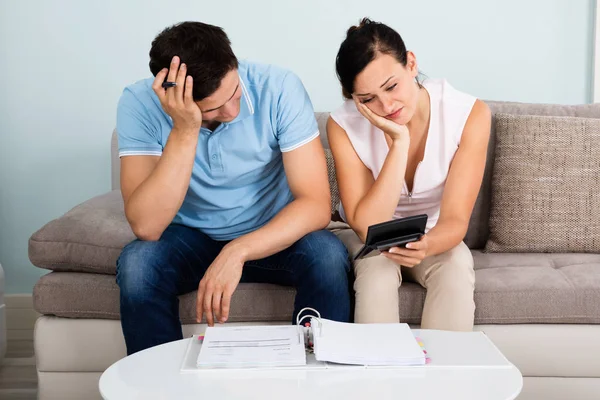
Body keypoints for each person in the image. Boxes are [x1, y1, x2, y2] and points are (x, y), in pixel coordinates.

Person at [116, 21, 351, 355]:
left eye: (235, 92)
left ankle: (317, 384)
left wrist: (237, 251)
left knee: (327, 256)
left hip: (272, 234)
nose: (232, 111)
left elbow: (315, 204)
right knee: (138, 265)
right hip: (189, 237)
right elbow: (147, 226)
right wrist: (185, 130)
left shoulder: (279, 87)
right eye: (213, 108)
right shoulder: (138, 104)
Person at [327, 18, 491, 331]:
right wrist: (399, 144)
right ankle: (380, 376)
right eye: (367, 99)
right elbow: (367, 226)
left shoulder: (468, 114)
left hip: (433, 233)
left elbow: (455, 220)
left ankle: (445, 376)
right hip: (369, 238)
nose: (386, 105)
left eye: (391, 86)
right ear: (353, 99)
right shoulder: (343, 125)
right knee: (377, 274)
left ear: (411, 64)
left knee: (456, 266)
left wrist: (426, 246)